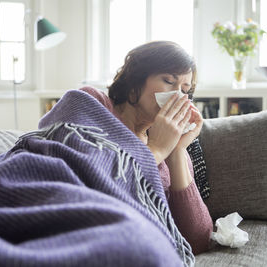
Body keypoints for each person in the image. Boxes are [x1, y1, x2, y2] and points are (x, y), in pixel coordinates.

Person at [80, 41, 213, 255]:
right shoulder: (94, 103)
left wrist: (176, 151)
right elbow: (92, 186)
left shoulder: (172, 145)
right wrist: (157, 149)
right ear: (135, 81)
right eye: (169, 81)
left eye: (185, 90)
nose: (178, 96)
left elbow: (198, 240)